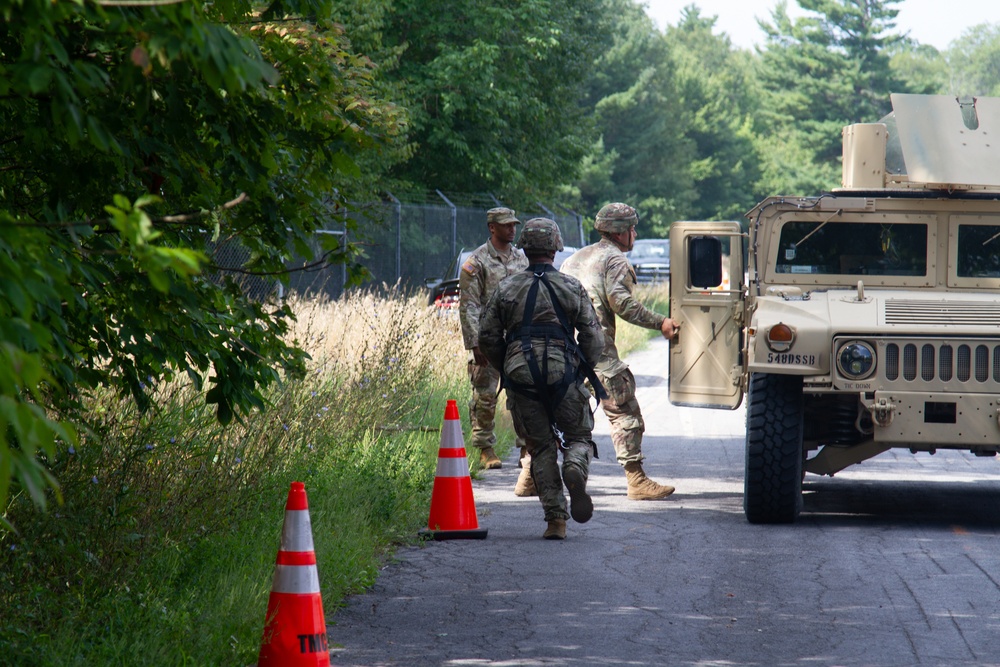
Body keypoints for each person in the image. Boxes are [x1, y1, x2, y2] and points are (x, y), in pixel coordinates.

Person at [479, 218, 606, 540]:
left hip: (520, 372)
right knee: (578, 435)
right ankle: (575, 466)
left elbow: (488, 336)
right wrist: (580, 369)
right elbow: (593, 335)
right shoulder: (571, 286)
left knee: (540, 447)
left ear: (525, 247)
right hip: (563, 369)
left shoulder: (506, 287)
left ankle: (556, 522)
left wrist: (507, 366)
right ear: (555, 248)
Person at [560, 202, 680, 501]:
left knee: (555, 412)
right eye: (631, 229)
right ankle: (636, 480)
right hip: (595, 351)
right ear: (619, 232)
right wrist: (660, 322)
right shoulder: (614, 260)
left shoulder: (575, 258)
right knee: (625, 411)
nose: (635, 234)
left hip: (561, 348)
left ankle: (529, 477)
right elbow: (622, 303)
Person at [459, 207, 534, 492]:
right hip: (489, 339)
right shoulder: (476, 262)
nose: (511, 229)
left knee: (523, 393)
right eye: (505, 225)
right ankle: (485, 448)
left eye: (514, 225)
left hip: (517, 338)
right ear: (492, 227)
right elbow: (468, 305)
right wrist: (475, 342)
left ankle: (526, 447)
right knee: (485, 396)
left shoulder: (522, 258)